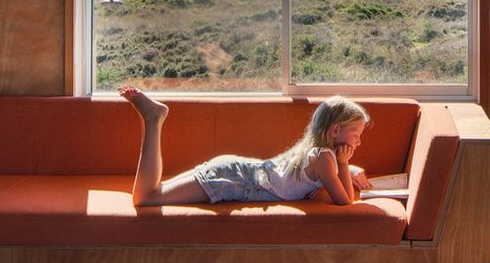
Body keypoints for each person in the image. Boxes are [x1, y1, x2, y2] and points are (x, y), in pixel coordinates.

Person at [119, 87, 373, 206]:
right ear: (336, 130)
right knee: (146, 198)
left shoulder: (314, 152)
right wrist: (344, 163)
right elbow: (345, 200)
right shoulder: (326, 159)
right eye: (357, 134)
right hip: (235, 179)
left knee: (154, 191)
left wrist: (346, 168)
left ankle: (151, 119)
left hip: (235, 170)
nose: (359, 142)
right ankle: (153, 120)